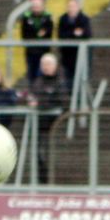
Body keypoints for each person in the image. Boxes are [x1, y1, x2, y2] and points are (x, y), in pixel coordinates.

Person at [25, 53, 68, 184]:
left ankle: (50, 180)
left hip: (55, 125)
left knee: (48, 153)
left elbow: (62, 101)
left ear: (55, 66)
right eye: (43, 64)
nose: (46, 67)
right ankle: (41, 179)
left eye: (48, 64)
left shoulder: (60, 82)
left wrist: (40, 104)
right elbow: (31, 97)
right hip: (39, 125)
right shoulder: (38, 82)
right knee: (39, 154)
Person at [57, 0, 92, 83]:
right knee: (69, 80)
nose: (72, 8)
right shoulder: (63, 19)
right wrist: (74, 33)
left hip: (82, 55)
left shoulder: (84, 19)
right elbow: (61, 35)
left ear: (78, 7)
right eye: (70, 6)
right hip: (67, 55)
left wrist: (73, 34)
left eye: (74, 6)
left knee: (83, 79)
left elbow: (87, 34)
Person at [20, 0, 54, 83]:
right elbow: (25, 34)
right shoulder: (26, 18)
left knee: (43, 74)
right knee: (31, 74)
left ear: (43, 6)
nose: (36, 9)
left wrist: (39, 35)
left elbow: (48, 33)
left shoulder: (47, 17)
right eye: (34, 6)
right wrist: (38, 35)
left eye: (38, 6)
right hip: (31, 52)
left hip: (44, 51)